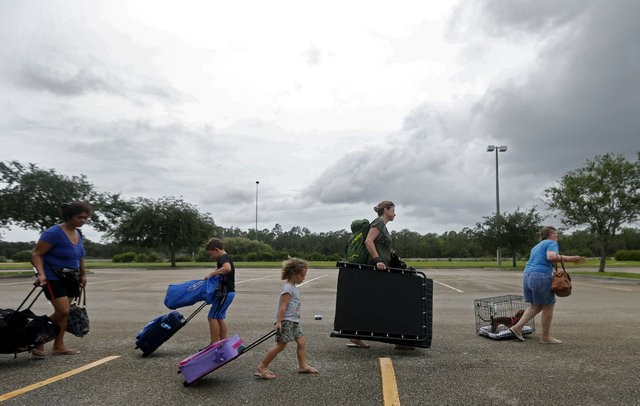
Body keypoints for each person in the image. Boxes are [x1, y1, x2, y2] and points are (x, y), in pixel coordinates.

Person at [31, 201, 92, 357]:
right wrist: (41, 274)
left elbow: (80, 256)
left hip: (71, 277)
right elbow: (37, 254)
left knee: (65, 313)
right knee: (62, 310)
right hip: (53, 277)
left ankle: (58, 346)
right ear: (69, 216)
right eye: (80, 217)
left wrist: (83, 275)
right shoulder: (53, 233)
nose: (83, 221)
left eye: (85, 218)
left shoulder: (78, 233)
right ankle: (36, 336)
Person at [509, 226, 585, 344]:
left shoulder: (536, 246)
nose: (557, 237)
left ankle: (517, 328)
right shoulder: (551, 243)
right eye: (556, 235)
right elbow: (550, 257)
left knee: (535, 306)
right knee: (548, 306)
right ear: (550, 235)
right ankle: (545, 336)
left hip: (527, 275)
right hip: (540, 276)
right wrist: (571, 258)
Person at [254, 257, 319, 379]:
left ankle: (303, 366)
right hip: (286, 321)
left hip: (294, 321)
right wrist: (279, 322)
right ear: (294, 274)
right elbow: (283, 306)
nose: (304, 277)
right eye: (303, 275)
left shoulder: (293, 287)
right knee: (281, 346)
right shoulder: (288, 288)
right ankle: (262, 366)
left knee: (301, 342)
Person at [203, 238, 236, 344]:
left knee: (212, 317)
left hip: (225, 293)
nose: (211, 257)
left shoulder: (222, 258)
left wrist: (211, 274)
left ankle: (213, 345)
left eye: (211, 254)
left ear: (216, 249)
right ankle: (223, 343)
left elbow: (227, 268)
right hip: (227, 293)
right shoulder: (226, 257)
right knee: (219, 317)